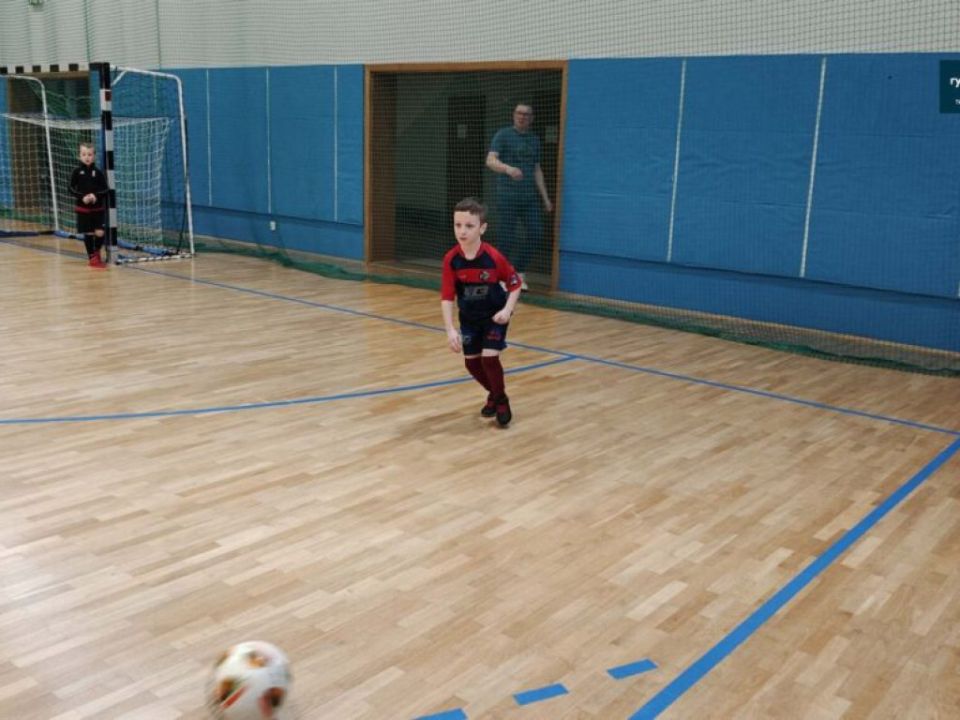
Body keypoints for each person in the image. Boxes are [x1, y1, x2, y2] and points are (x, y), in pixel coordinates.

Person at [441, 198, 523, 427]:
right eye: (458, 225)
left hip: (494, 317)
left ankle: (501, 400)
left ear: (482, 228)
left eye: (469, 226)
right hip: (469, 319)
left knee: (489, 358)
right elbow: (447, 297)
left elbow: (515, 284)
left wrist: (507, 310)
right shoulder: (451, 260)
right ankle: (494, 394)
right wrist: (450, 329)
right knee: (471, 364)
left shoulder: (493, 257)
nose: (462, 231)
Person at [485, 103, 553, 290]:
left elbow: (537, 169)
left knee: (536, 233)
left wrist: (545, 198)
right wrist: (508, 169)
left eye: (526, 114)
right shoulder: (503, 135)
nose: (522, 117)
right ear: (514, 115)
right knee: (507, 237)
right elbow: (490, 160)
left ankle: (518, 271)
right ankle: (501, 276)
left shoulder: (534, 140)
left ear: (532, 118)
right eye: (519, 113)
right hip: (507, 196)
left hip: (529, 197)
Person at [69, 142, 109, 269]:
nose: (87, 157)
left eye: (90, 154)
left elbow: (105, 190)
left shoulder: (98, 173)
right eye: (84, 154)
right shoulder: (76, 172)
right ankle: (92, 257)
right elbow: (70, 188)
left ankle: (96, 252)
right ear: (79, 155)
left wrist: (95, 196)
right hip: (83, 209)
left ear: (94, 156)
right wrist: (82, 197)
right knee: (89, 233)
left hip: (97, 209)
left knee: (100, 233)